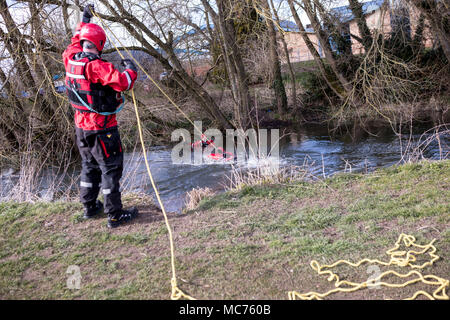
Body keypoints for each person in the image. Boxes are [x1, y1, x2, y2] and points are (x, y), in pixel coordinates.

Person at [63, 4, 139, 228]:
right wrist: (131, 69)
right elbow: (124, 82)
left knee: (89, 165)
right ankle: (115, 214)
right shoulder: (96, 66)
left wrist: (84, 19)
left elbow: (75, 40)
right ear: (100, 44)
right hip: (102, 128)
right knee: (110, 167)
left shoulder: (70, 58)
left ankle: (89, 207)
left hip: (81, 128)